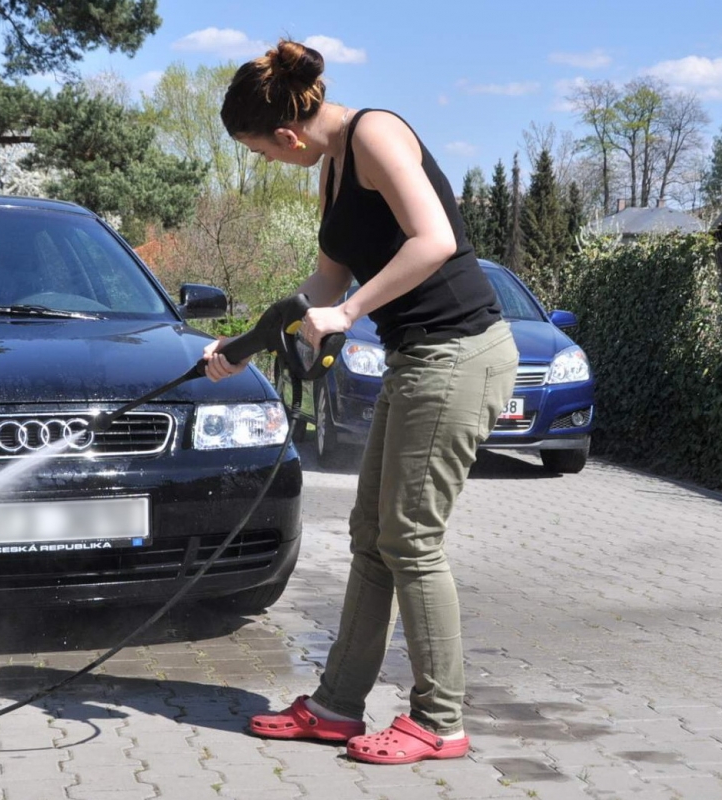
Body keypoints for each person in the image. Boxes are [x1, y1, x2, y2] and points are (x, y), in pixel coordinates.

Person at [203, 39, 519, 765]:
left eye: (258, 153)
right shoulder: (331, 165)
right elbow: (319, 290)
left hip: (458, 352)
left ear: (285, 134)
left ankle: (438, 721)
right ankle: (336, 707)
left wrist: (349, 316)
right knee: (369, 536)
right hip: (419, 357)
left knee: (409, 539)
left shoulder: (373, 133)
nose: (264, 164)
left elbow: (434, 239)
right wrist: (238, 346)